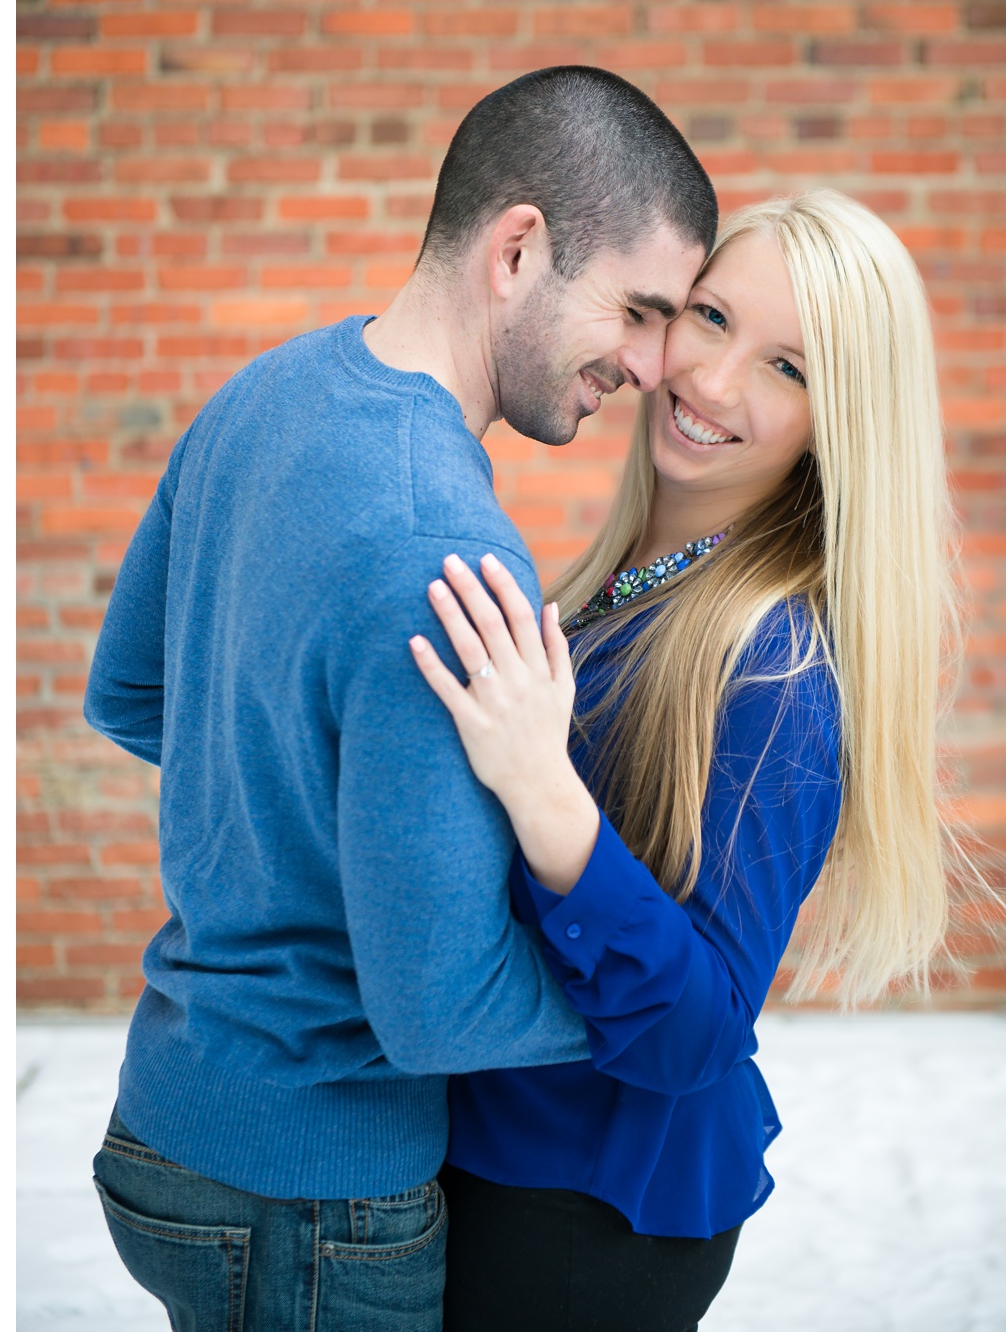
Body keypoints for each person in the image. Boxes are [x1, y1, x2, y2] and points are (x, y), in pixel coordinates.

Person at [82, 65, 715, 1330]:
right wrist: (659, 1015)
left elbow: (133, 694)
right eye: (639, 311)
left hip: (165, 1121)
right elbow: (436, 1011)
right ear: (518, 248)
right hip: (315, 1197)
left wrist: (302, 847)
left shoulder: (258, 394)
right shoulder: (443, 549)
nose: (650, 368)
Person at [406, 189, 959, 1332]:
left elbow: (698, 1028)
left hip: (572, 1216)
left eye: (788, 370)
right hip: (500, 1157)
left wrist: (540, 788)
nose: (709, 382)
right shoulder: (634, 586)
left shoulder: (774, 669)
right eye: (708, 319)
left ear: (837, 422)